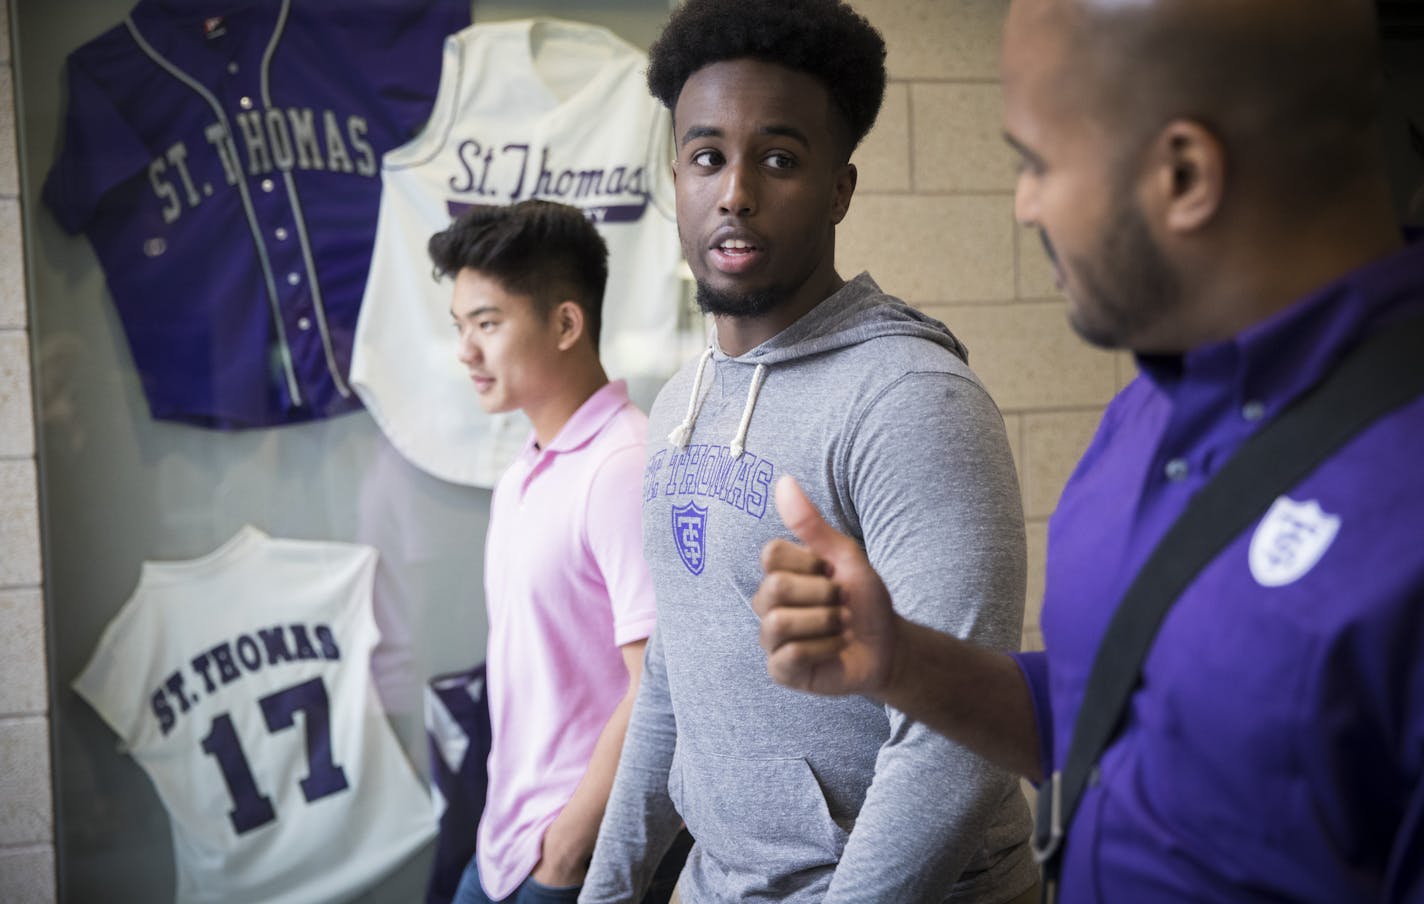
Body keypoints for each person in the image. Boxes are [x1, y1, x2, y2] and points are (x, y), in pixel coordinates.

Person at [752, 0, 1424, 901]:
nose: (1024, 203)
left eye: (1037, 163)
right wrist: (903, 662)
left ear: (1183, 174)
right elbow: (1112, 714)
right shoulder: (1145, 410)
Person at [580, 1, 1038, 902]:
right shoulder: (681, 401)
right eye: (706, 156)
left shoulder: (911, 400)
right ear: (676, 177)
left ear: (839, 190)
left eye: (779, 159)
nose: (736, 191)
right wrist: (610, 887)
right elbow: (677, 665)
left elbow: (953, 745)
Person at [432, 200, 685, 904]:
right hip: (503, 842)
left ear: (567, 323)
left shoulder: (621, 465)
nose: (466, 350)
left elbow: (659, 685)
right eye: (460, 327)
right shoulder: (524, 469)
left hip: (566, 855)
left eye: (487, 323)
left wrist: (570, 847)